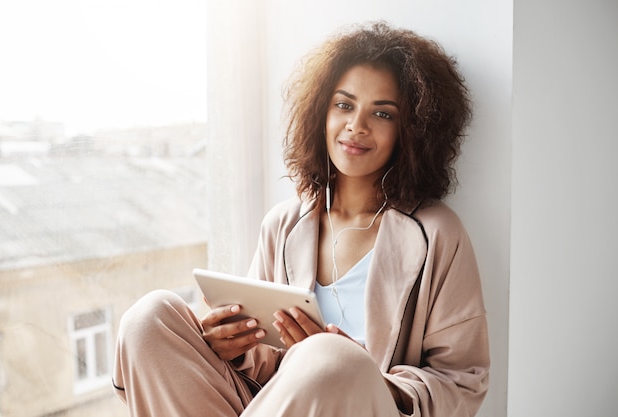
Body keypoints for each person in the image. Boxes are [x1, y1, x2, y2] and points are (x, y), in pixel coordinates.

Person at [113, 21, 490, 417]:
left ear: (411, 129)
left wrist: (357, 371)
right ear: (320, 112)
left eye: (382, 113)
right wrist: (234, 345)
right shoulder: (284, 224)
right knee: (149, 319)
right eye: (344, 105)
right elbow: (265, 363)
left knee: (331, 356)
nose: (356, 126)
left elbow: (462, 380)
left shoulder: (437, 233)